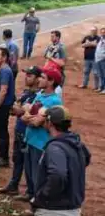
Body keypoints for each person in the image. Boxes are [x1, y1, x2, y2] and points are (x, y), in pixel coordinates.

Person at [21, 106, 90, 216]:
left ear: (50, 123)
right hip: (68, 212)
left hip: (55, 214)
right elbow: (86, 158)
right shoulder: (75, 143)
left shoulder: (55, 148)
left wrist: (41, 197)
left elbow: (58, 175)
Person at [0, 66, 41, 197]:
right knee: (17, 159)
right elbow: (14, 108)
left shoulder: (38, 96)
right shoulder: (26, 93)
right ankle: (14, 185)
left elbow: (27, 112)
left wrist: (20, 110)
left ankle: (30, 191)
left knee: (28, 163)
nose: (26, 78)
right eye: (26, 75)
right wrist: (19, 109)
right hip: (19, 130)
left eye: (30, 76)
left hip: (28, 133)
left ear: (37, 78)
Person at [22, 68, 63, 204]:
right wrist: (29, 116)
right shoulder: (40, 95)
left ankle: (38, 204)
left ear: (51, 82)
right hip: (31, 140)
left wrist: (29, 117)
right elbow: (27, 115)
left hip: (41, 144)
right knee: (29, 173)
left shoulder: (54, 101)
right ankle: (31, 196)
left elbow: (35, 121)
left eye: (43, 77)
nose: (39, 79)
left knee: (38, 176)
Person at [0, 47, 16, 168]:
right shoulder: (4, 69)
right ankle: (2, 155)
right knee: (0, 131)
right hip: (3, 105)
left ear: (4, 57)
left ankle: (4, 158)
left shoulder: (5, 71)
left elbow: (3, 90)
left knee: (1, 131)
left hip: (2, 106)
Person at [96, 27, 105, 93]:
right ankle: (101, 87)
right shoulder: (101, 39)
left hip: (103, 60)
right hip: (98, 59)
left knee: (104, 75)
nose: (103, 33)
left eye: (104, 32)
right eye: (102, 32)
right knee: (100, 75)